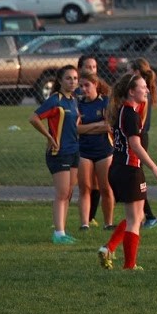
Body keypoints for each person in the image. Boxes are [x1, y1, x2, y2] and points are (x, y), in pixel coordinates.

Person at [98, 71, 157, 271]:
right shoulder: (130, 114)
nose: (146, 90)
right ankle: (128, 264)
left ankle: (109, 249)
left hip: (118, 169)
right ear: (131, 91)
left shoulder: (124, 110)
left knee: (135, 217)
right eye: (142, 87)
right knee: (135, 219)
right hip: (130, 170)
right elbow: (134, 144)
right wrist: (155, 168)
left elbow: (145, 101)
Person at [28, 65, 81, 245]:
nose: (73, 81)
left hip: (74, 151)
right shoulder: (55, 100)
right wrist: (49, 136)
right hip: (59, 153)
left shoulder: (73, 100)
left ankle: (62, 231)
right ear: (60, 81)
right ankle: (58, 233)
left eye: (75, 78)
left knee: (69, 192)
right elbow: (33, 118)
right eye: (68, 78)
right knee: (62, 193)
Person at [75, 70, 115, 232]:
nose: (84, 89)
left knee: (106, 188)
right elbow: (76, 129)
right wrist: (96, 126)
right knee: (85, 187)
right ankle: (85, 223)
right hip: (84, 150)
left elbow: (108, 126)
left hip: (104, 150)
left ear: (96, 85)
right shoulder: (78, 104)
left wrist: (87, 128)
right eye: (81, 86)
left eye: (87, 85)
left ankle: (108, 223)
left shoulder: (105, 102)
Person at [129, 58, 157, 228]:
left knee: (136, 177)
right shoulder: (142, 92)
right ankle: (143, 215)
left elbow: (139, 124)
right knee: (134, 177)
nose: (128, 74)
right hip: (139, 137)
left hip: (138, 139)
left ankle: (148, 216)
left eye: (130, 71)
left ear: (137, 72)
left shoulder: (141, 95)